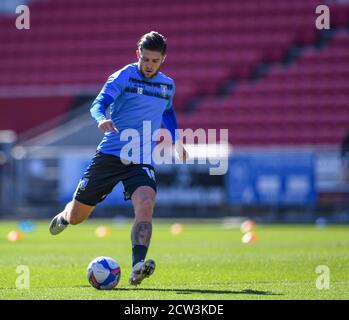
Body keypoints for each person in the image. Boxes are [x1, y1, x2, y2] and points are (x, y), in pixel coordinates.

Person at [49, 31, 188, 286]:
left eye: (154, 61)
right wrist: (101, 118)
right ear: (138, 54)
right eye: (145, 59)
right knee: (78, 216)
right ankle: (65, 216)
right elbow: (98, 103)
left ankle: (137, 265)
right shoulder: (124, 75)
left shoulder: (167, 85)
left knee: (146, 203)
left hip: (141, 159)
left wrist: (176, 140)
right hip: (111, 155)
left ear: (163, 60)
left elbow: (168, 112)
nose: (148, 65)